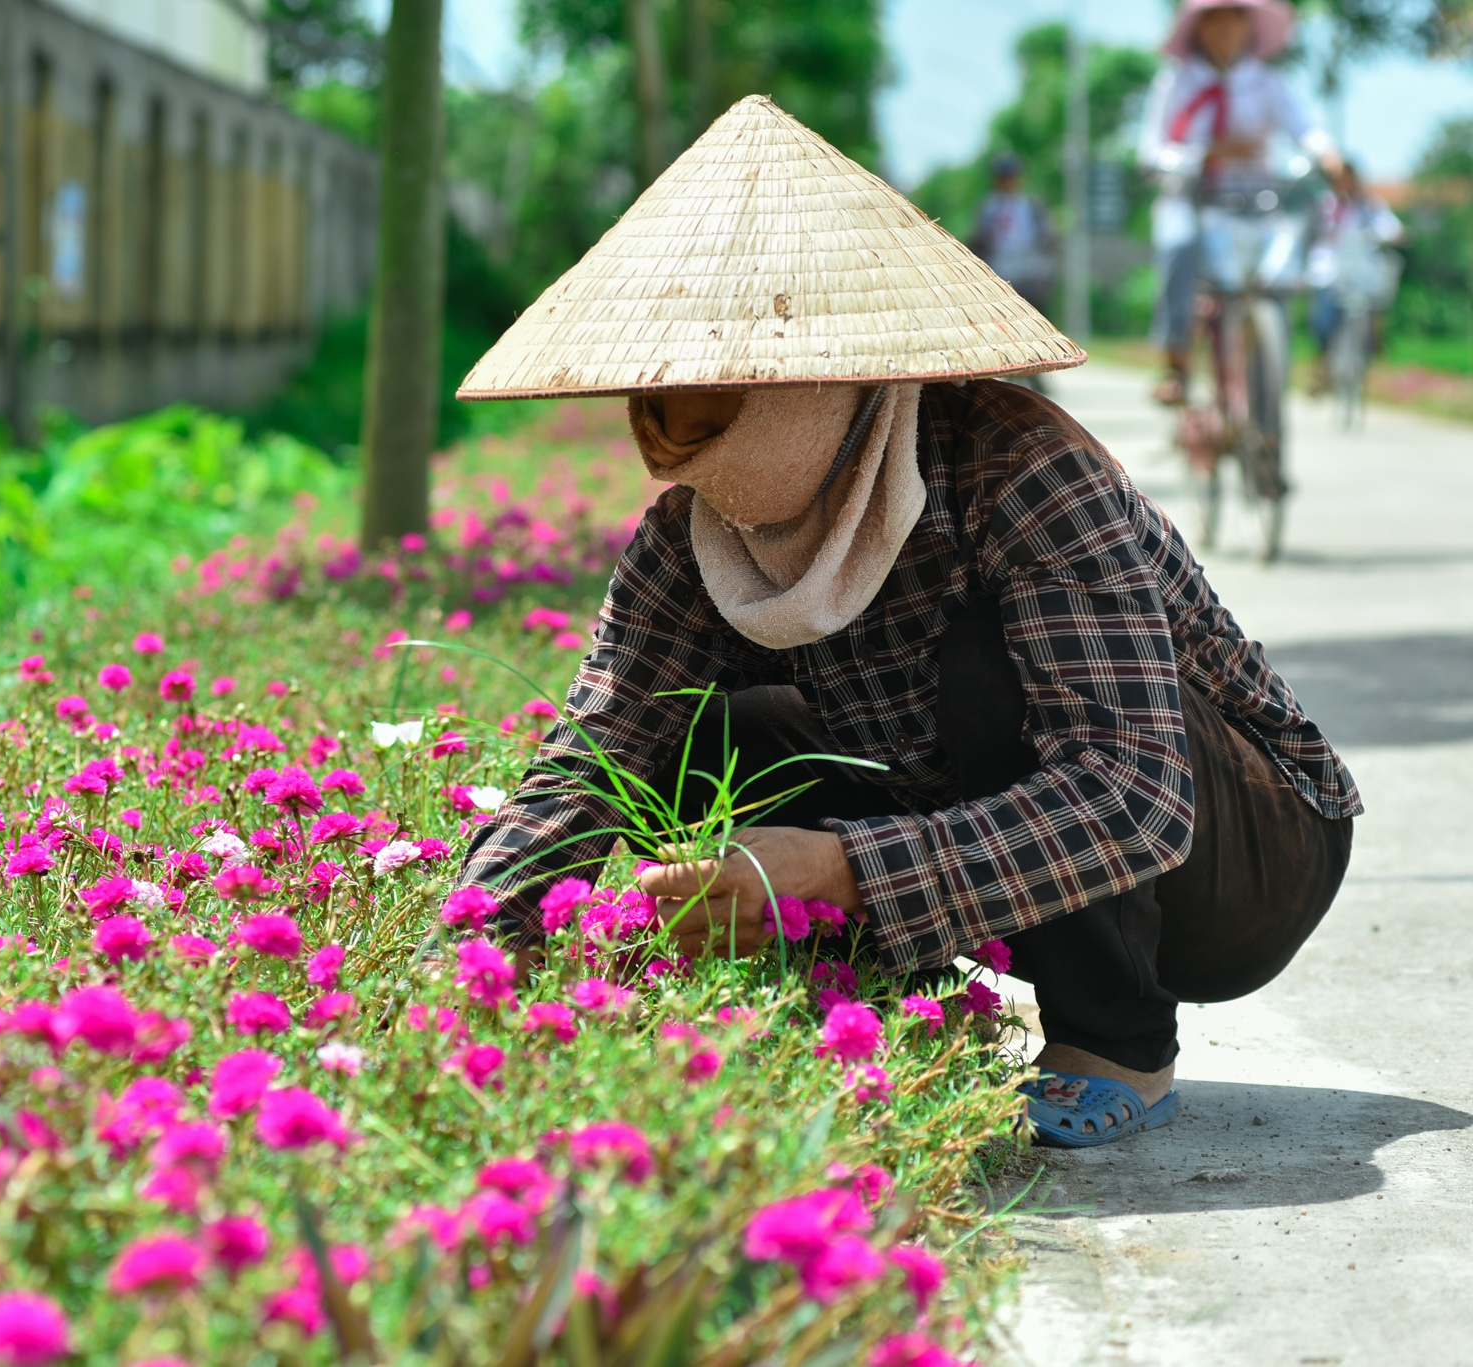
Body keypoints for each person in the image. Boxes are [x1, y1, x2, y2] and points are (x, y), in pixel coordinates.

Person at [452, 95, 1360, 1148]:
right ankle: (874, 996)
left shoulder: (1019, 470)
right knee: (691, 733)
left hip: (1238, 854)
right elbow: (590, 756)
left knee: (984, 670)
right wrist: (471, 949)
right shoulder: (687, 547)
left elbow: (1132, 792)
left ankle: (1112, 1039)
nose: (673, 432)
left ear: (819, 380)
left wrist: (840, 869)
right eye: (663, 398)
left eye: (716, 392)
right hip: (987, 820)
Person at [1139, 0, 1341, 405]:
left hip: (1257, 202)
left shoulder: (1265, 81)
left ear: (1250, 28)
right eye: (1216, 19)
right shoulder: (1175, 82)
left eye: (1235, 18)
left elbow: (1305, 128)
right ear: (1198, 28)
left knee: (1291, 261)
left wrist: (1329, 156)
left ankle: (1289, 367)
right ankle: (1175, 362)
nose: (1226, 29)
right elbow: (1150, 151)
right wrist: (1207, 155)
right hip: (1191, 198)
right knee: (1178, 248)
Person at [1305, 159, 1404, 390]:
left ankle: (1372, 345)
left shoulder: (1369, 205)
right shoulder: (1324, 205)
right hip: (1328, 272)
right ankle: (1325, 362)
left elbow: (1388, 226)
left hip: (1361, 270)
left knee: (1374, 304)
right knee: (1322, 320)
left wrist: (1397, 234)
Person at [969, 152, 1059, 318]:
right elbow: (978, 239)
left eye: (1011, 176)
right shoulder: (988, 206)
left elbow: (1046, 235)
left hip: (1028, 267)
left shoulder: (1030, 204)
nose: (1007, 181)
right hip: (998, 266)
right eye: (1003, 176)